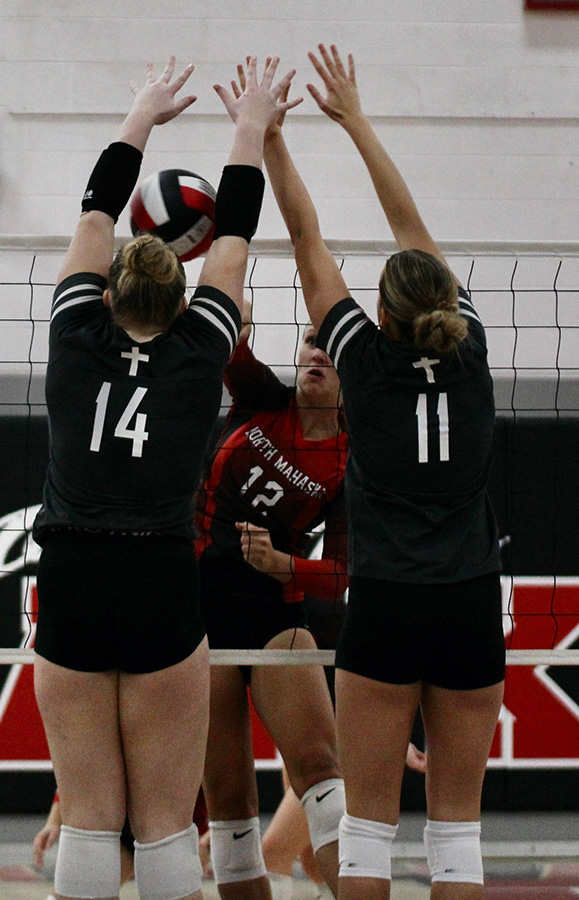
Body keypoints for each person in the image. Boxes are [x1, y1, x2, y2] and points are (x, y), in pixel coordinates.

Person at [32, 54, 300, 900]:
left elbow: (97, 209)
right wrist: (250, 125)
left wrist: (141, 114)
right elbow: (234, 237)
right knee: (158, 821)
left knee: (86, 816)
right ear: (183, 301)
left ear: (106, 293)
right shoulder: (199, 350)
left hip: (73, 569)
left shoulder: (76, 333)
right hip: (157, 572)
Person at [262, 44, 506, 900]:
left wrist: (269, 138)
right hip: (471, 598)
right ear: (441, 301)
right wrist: (358, 120)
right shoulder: (471, 351)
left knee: (364, 831)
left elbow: (303, 237)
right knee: (458, 839)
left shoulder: (360, 359)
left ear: (383, 315)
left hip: (390, 600)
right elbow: (413, 232)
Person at [196, 296, 348, 900]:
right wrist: (236, 309)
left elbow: (338, 575)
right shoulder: (264, 397)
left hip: (274, 613)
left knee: (321, 771)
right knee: (229, 799)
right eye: (312, 340)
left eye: (333, 350)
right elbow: (229, 348)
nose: (318, 353)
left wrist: (284, 562)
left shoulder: (349, 458)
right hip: (200, 608)